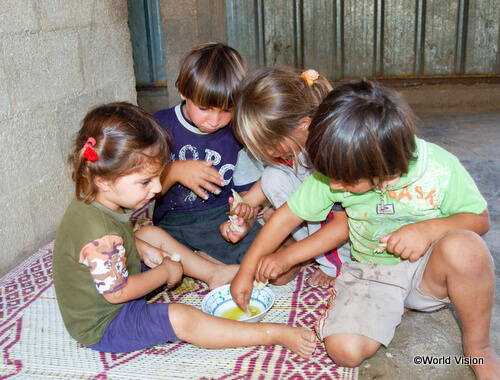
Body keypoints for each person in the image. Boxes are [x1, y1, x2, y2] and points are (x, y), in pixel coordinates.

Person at [231, 79, 500, 378]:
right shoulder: (338, 172)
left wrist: (427, 230)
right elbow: (284, 218)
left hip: (429, 275)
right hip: (373, 274)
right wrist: (246, 270)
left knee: (468, 249)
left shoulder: (439, 168)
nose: (334, 186)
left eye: (344, 181)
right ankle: (395, 306)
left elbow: (480, 220)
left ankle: (479, 348)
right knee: (344, 351)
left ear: (383, 168)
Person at [52, 102, 317, 356]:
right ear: (104, 180)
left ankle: (213, 272)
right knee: (181, 318)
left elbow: (122, 240)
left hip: (115, 285)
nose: (157, 189)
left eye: (157, 177)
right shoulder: (99, 233)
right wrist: (166, 272)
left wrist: (141, 248)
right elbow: (117, 292)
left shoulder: (96, 197)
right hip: (107, 323)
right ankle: (271, 334)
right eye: (145, 182)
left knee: (149, 235)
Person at [222, 66, 351, 286]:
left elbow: (344, 223)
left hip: (350, 222)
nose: (268, 153)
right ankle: (308, 249)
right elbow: (267, 183)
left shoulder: (333, 152)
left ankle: (336, 262)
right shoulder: (299, 140)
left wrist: (289, 257)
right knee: (272, 176)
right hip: (317, 210)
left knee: (304, 210)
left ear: (303, 126)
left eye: (270, 145)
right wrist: (243, 210)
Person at [153, 42, 262, 265]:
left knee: (272, 265)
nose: (214, 121)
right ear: (183, 90)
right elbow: (145, 195)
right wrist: (174, 172)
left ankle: (197, 262)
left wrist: (242, 223)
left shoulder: (238, 134)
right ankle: (202, 264)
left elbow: (247, 200)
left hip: (218, 221)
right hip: (170, 224)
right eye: (204, 108)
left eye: (226, 110)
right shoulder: (158, 127)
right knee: (142, 253)